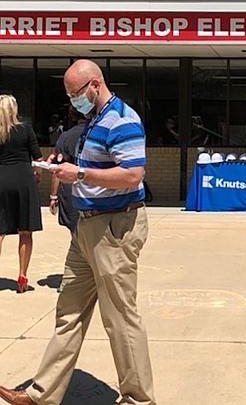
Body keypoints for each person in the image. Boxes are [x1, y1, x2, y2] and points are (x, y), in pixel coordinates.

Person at [0, 60, 155, 405]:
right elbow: (93, 163)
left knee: (120, 317)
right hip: (86, 227)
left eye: (76, 94)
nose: (73, 101)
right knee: (68, 312)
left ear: (95, 86)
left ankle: (137, 398)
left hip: (114, 226)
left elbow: (132, 175)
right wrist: (62, 164)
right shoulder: (93, 121)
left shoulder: (123, 120)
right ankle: (43, 393)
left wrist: (81, 174)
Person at [0, 94, 43, 294]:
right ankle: (22, 277)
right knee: (25, 231)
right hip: (23, 179)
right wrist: (37, 177)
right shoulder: (25, 129)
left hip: (1, 179)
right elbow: (37, 158)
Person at [48, 107, 85, 262]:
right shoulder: (99, 133)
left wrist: (53, 196)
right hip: (95, 190)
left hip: (70, 191)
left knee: (76, 235)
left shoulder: (65, 137)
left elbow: (58, 169)